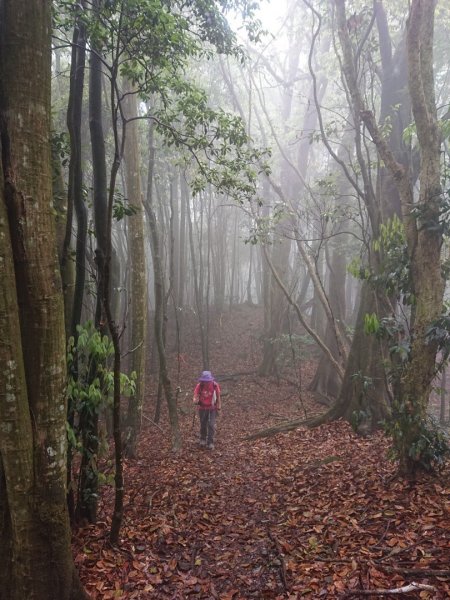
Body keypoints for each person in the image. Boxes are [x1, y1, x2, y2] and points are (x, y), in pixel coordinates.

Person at [193, 370, 221, 449]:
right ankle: (202, 439)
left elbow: (218, 396)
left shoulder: (215, 385)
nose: (206, 382)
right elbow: (195, 395)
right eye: (205, 381)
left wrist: (219, 405)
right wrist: (195, 400)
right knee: (203, 424)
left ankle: (210, 442)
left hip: (212, 408)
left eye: (208, 381)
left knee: (211, 425)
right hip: (202, 407)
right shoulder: (200, 385)